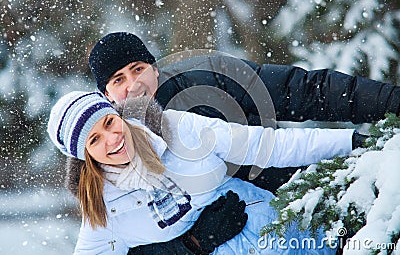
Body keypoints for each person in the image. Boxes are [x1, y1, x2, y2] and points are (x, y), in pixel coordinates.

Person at [48, 91, 361, 254]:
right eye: (94, 140)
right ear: (84, 155)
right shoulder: (104, 209)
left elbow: (267, 145)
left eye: (108, 123)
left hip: (289, 236)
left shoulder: (179, 129)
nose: (112, 138)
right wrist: (192, 245)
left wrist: (349, 141)